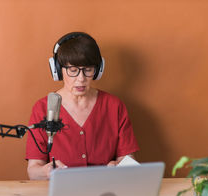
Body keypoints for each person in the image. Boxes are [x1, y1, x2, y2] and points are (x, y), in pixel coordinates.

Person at [26, 32, 139, 180]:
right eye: (73, 70)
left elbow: (129, 162)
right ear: (58, 70)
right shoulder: (42, 108)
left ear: (98, 70)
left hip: (106, 189)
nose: (81, 78)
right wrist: (46, 171)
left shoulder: (114, 106)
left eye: (88, 70)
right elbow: (33, 170)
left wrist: (118, 167)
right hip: (62, 191)